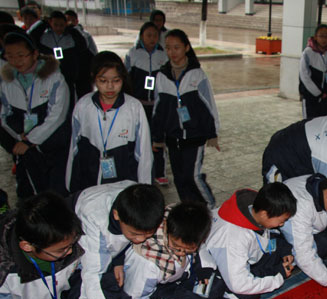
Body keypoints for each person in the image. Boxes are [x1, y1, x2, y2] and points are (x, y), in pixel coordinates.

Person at [66, 181, 164, 299]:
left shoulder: (138, 198)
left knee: (125, 291)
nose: (140, 239)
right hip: (73, 262)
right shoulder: (92, 217)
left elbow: (116, 240)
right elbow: (93, 276)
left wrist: (117, 260)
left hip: (100, 255)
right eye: (134, 234)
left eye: (147, 234)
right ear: (117, 215)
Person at [123, 201, 216, 299]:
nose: (181, 253)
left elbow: (201, 248)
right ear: (166, 227)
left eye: (188, 249)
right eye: (176, 247)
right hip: (154, 291)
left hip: (180, 275)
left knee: (217, 286)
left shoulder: (179, 222)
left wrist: (203, 270)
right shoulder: (148, 262)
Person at [66, 51, 153, 192]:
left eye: (116, 80)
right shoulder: (83, 106)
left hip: (125, 187)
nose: (110, 86)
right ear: (94, 78)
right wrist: (72, 188)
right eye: (103, 81)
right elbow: (74, 150)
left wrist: (145, 190)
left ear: (123, 78)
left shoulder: (134, 108)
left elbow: (144, 154)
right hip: (90, 185)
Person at [151, 29, 220, 207]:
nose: (172, 52)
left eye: (177, 47)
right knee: (180, 179)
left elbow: (209, 105)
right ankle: (190, 210)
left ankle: (210, 207)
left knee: (193, 176)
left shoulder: (197, 74)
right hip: (172, 137)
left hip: (195, 136)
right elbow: (158, 109)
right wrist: (157, 137)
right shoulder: (161, 76)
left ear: (186, 48)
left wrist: (212, 133)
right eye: (168, 48)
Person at [206, 182, 297, 299]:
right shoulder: (234, 238)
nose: (282, 224)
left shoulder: (255, 207)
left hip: (244, 256)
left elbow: (267, 236)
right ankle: (221, 292)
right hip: (217, 269)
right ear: (264, 214)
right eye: (281, 220)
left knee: (278, 255)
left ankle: (263, 272)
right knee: (246, 297)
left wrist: (284, 250)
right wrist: (278, 278)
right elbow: (239, 284)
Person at [0, 31, 70, 199]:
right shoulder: (7, 83)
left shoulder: (54, 79)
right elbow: (5, 115)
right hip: (26, 149)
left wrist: (31, 140)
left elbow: (57, 116)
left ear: (35, 54)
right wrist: (19, 136)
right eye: (10, 56)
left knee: (56, 194)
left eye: (21, 55)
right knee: (30, 193)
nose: (16, 61)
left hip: (54, 147)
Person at [125, 22, 169, 186]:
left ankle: (160, 172)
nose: (152, 39)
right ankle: (138, 172)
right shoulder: (133, 54)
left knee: (158, 138)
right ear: (141, 36)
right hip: (139, 104)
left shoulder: (163, 55)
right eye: (148, 35)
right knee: (139, 137)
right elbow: (126, 78)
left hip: (157, 104)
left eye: (155, 35)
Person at [38, 11, 92, 99]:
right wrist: (43, 24)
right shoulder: (44, 37)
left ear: (66, 24)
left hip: (68, 75)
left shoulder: (71, 36)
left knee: (69, 97)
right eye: (55, 25)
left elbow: (83, 46)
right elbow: (32, 38)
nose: (58, 28)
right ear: (50, 23)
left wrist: (72, 29)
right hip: (49, 73)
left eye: (62, 25)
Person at [298, 24, 327, 119]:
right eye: (321, 36)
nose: (324, 39)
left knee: (323, 121)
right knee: (309, 122)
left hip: (325, 96)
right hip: (310, 95)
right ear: (315, 37)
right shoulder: (308, 52)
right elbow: (304, 75)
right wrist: (318, 93)